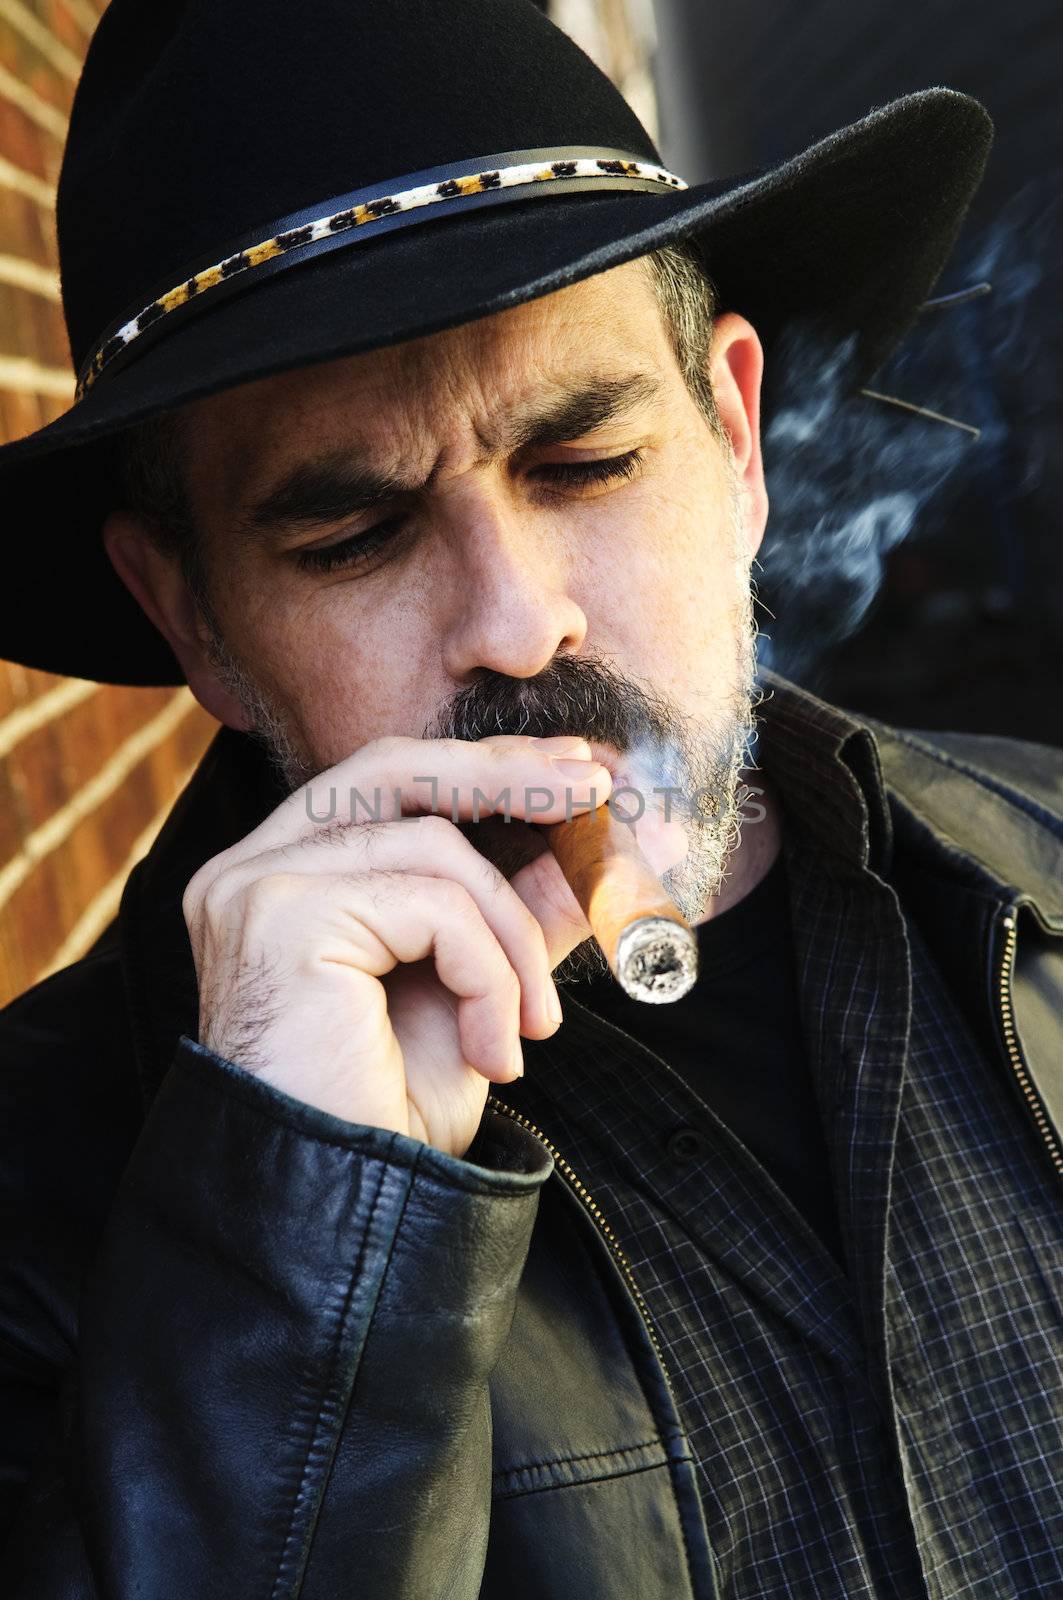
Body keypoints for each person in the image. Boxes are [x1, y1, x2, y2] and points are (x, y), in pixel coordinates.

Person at [1, 1, 1061, 1596]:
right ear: (193, 622)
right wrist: (305, 1252)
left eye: (585, 460)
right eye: (350, 535)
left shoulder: (1047, 860)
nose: (518, 621)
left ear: (739, 443)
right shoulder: (39, 1205)